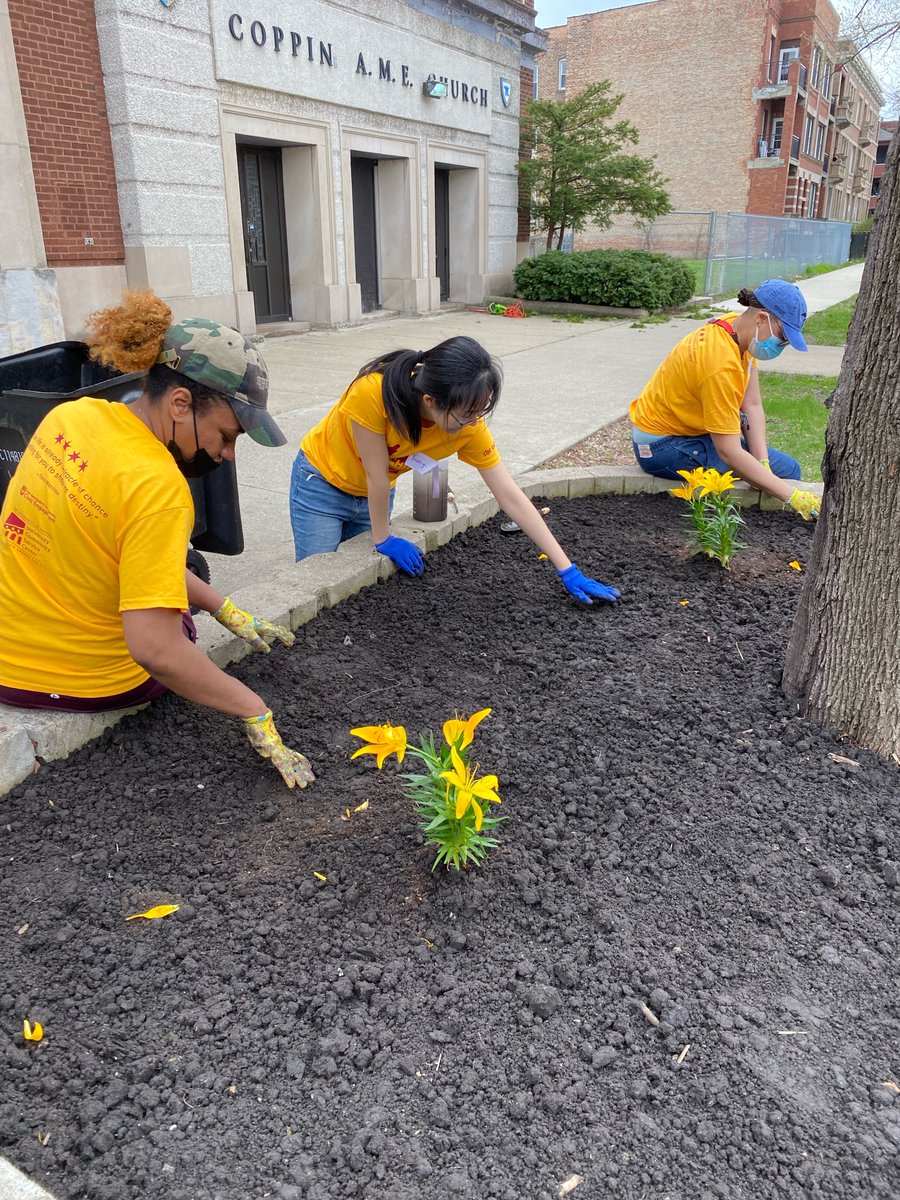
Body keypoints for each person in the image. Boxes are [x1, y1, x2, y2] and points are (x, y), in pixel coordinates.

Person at [0, 290, 314, 789]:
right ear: (180, 402)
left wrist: (222, 606)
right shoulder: (160, 490)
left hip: (7, 653)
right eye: (226, 435)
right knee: (179, 634)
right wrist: (254, 710)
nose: (228, 453)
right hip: (79, 680)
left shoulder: (69, 418)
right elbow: (155, 651)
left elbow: (110, 550)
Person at [289, 336, 619, 605]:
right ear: (431, 400)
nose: (474, 422)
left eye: (481, 410)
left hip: (374, 494)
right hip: (322, 484)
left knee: (353, 590)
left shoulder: (469, 428)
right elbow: (376, 474)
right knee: (317, 586)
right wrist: (384, 537)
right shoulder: (372, 394)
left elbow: (510, 497)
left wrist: (567, 569)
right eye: (466, 413)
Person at [629, 278, 820, 519]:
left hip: (688, 435)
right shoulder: (720, 364)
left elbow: (751, 404)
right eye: (783, 337)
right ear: (761, 318)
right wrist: (791, 496)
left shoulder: (737, 330)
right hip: (664, 448)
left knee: (785, 469)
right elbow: (728, 451)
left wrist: (762, 463)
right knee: (774, 477)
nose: (782, 345)